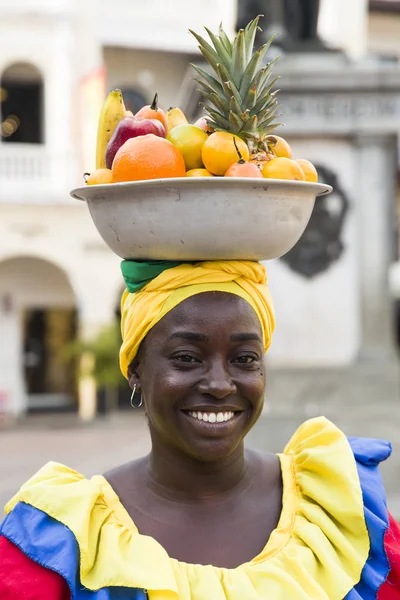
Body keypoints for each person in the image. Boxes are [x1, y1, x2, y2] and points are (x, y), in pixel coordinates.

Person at [0, 260, 399, 600]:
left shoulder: (338, 515)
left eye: (244, 358)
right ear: (136, 369)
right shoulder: (66, 540)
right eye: (187, 358)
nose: (221, 384)